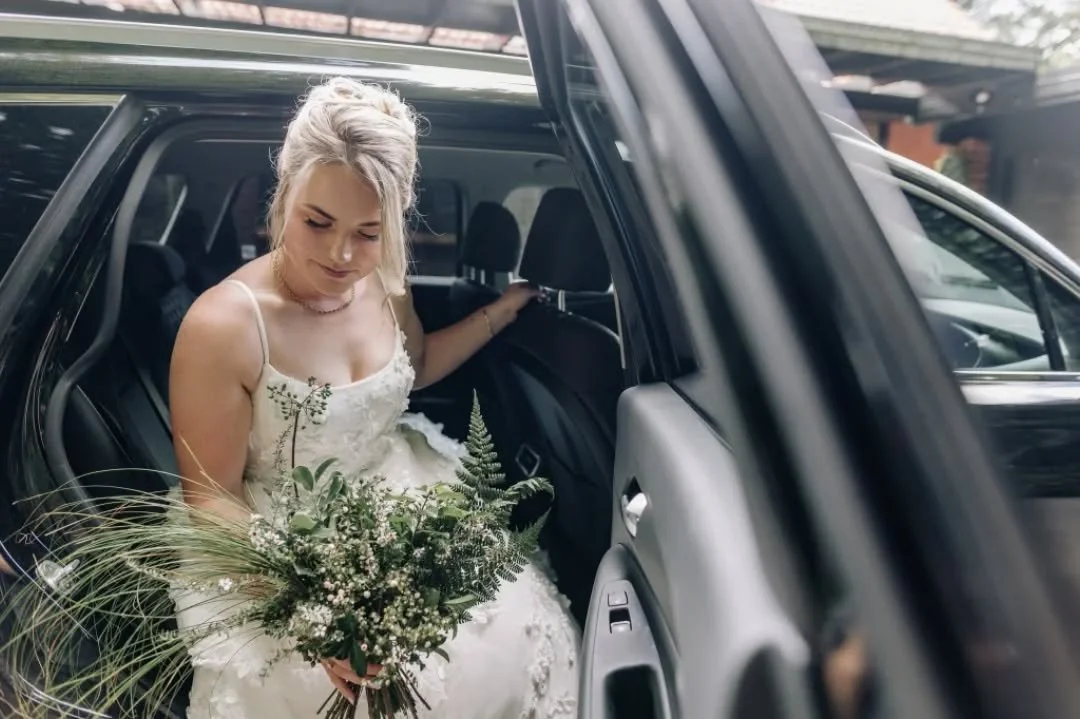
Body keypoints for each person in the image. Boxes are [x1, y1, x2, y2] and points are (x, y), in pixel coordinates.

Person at [168, 77, 580, 718]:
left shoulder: (385, 280)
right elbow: (212, 499)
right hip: (282, 546)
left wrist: (503, 311)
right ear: (285, 193)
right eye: (317, 221)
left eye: (369, 230)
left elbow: (410, 370)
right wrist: (314, 614)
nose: (342, 254)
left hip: (403, 491)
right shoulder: (224, 326)